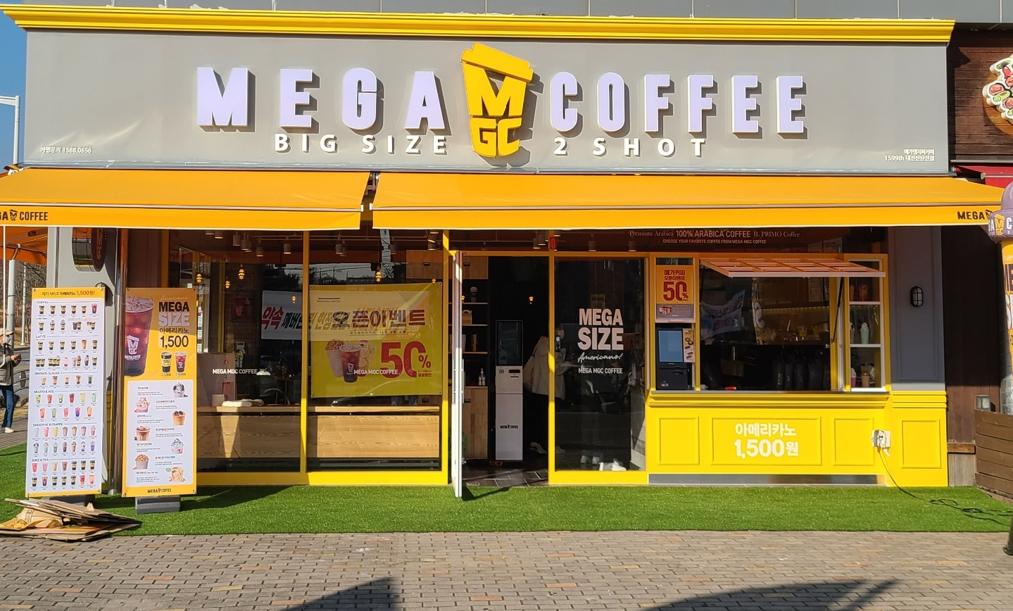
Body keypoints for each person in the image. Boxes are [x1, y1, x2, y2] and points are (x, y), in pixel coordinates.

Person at [1, 330, 21, 433]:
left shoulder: (9, 348)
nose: (9, 337)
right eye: (7, 335)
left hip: (8, 380)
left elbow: (10, 364)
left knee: (11, 403)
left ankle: (7, 425)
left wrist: (16, 361)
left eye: (10, 336)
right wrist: (10, 358)